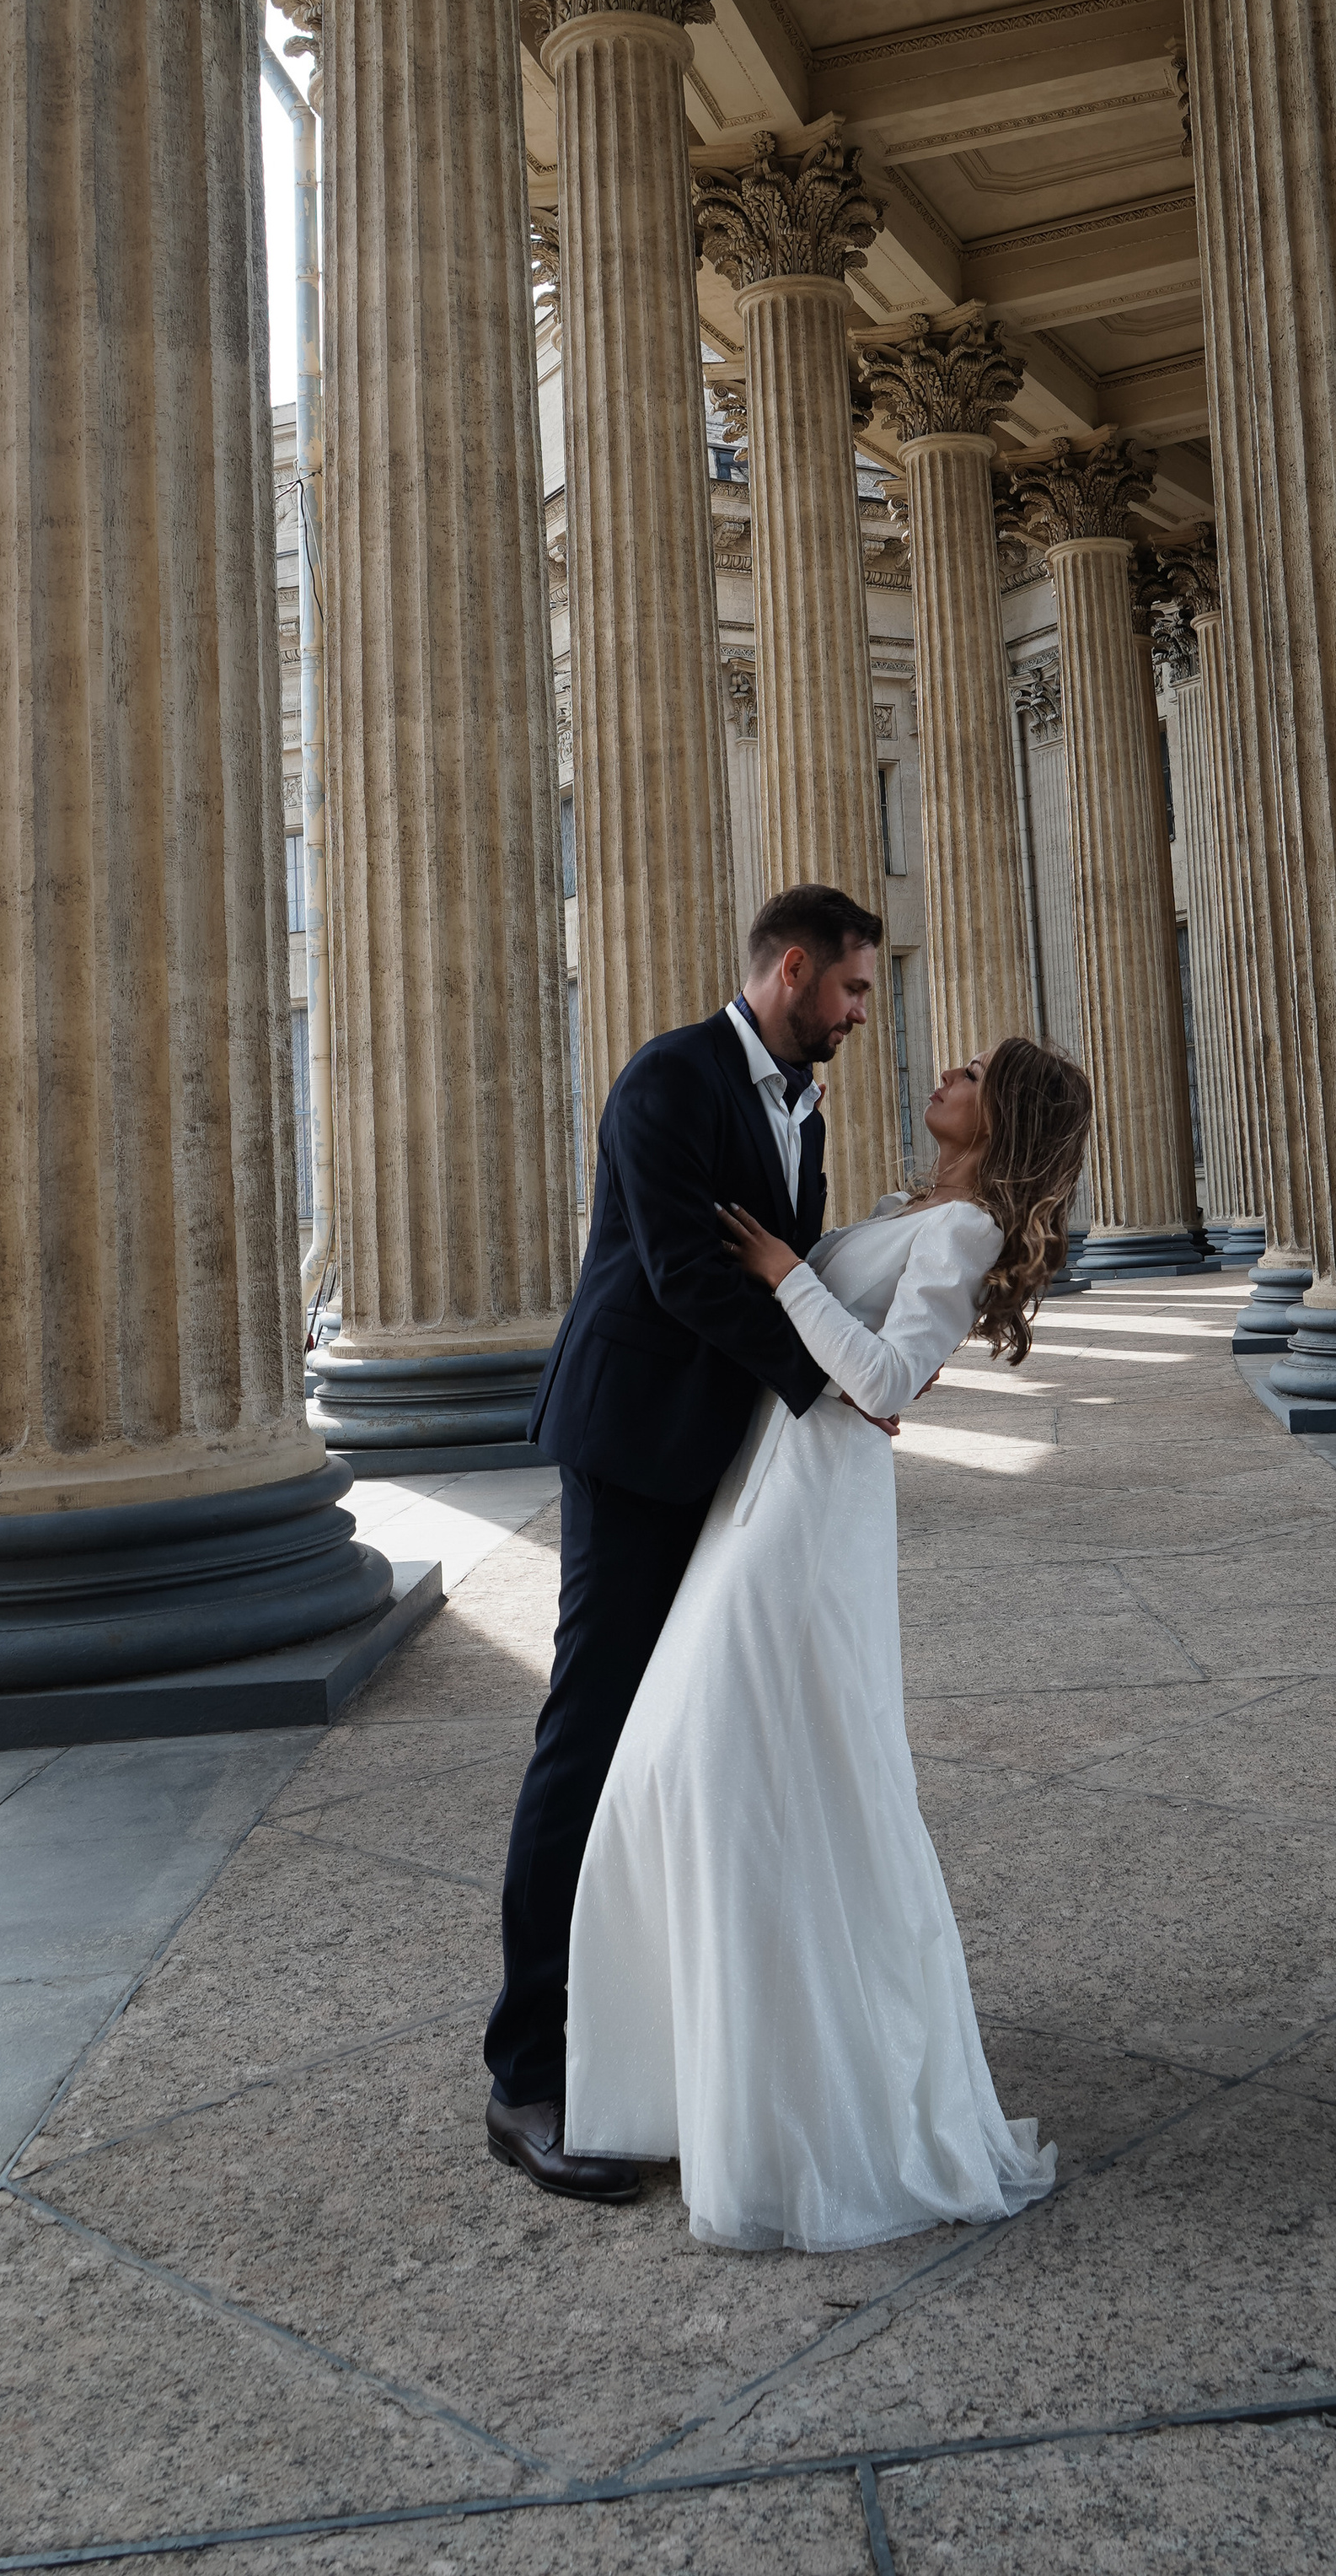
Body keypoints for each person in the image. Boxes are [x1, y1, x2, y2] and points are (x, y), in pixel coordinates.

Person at [566, 1030, 1094, 2251]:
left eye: (975, 1072)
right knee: (691, 1769)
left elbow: (890, 1382)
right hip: (769, 1481)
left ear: (1001, 1116)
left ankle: (797, 2110)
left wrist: (779, 1270)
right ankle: (714, 2079)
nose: (947, 1071)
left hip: (810, 1513)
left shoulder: (962, 1236)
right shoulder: (917, 1209)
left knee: (731, 1767)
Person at [484, 882, 888, 2202]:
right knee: (589, 1738)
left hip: (712, 1450)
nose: (859, 1012)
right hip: (630, 1441)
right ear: (791, 969)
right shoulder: (667, 1078)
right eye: (851, 989)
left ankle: (647, 2037)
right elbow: (686, 1271)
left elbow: (789, 1256)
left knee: (678, 1741)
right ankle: (527, 2074)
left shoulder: (801, 1099)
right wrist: (835, 1384)